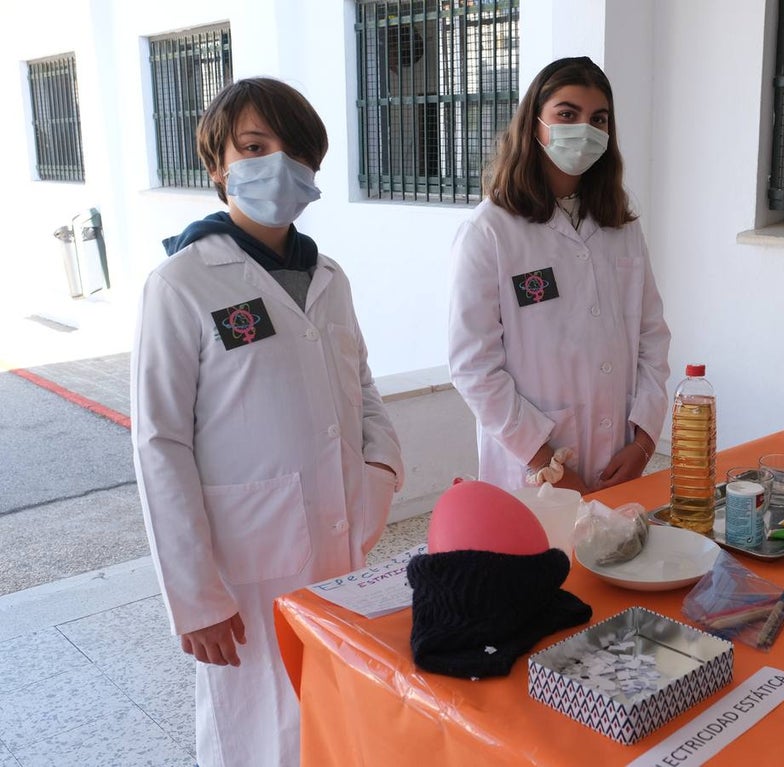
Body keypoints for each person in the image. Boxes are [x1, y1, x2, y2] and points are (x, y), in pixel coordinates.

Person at [130, 77, 403, 767]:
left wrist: (379, 474)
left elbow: (362, 389)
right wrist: (194, 596)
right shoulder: (183, 283)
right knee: (258, 733)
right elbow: (160, 442)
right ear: (219, 165)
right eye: (254, 147)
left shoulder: (330, 276)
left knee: (333, 719)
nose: (276, 165)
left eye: (294, 151)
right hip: (246, 565)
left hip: (338, 544)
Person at [447, 56, 671, 496]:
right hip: (531, 465)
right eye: (567, 114)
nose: (584, 129)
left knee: (610, 558)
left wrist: (644, 441)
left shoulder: (620, 225)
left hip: (618, 454)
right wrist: (544, 459)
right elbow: (474, 366)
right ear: (534, 124)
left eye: (598, 119)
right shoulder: (490, 230)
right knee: (541, 559)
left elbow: (652, 336)